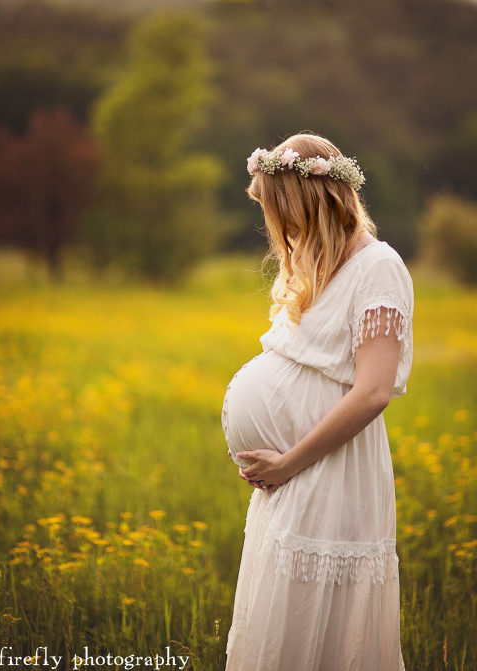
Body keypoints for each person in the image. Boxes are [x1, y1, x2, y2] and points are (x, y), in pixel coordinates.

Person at [221, 132, 413, 671]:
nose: (278, 231)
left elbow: (373, 391)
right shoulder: (315, 268)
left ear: (311, 203)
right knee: (286, 619)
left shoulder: (378, 267)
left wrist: (287, 461)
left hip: (329, 470)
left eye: (281, 214)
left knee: (321, 627)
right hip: (293, 476)